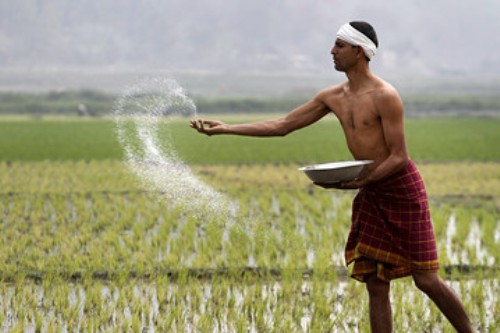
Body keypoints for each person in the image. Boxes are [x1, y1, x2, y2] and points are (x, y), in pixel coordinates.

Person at [190, 21, 473, 332]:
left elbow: (398, 156)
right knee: (376, 281)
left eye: (339, 46)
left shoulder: (386, 95)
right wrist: (227, 128)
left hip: (400, 188)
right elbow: (283, 125)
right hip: (372, 191)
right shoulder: (332, 96)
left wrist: (363, 181)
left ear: (360, 51)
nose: (332, 51)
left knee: (426, 278)